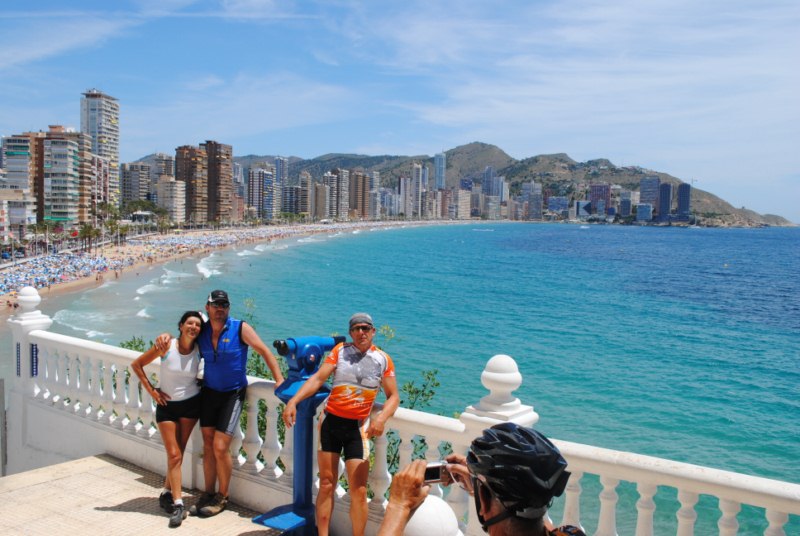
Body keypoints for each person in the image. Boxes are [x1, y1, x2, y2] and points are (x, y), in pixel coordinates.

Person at [156, 289, 285, 518]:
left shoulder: (240, 328)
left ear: (228, 308)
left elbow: (264, 351)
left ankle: (222, 496)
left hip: (232, 395)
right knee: (207, 445)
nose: (219, 309)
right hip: (209, 392)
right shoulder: (203, 331)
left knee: (219, 446)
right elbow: (182, 340)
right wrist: (165, 336)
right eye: (215, 305)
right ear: (207, 307)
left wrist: (279, 380)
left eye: (224, 305)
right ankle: (208, 493)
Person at [283, 312, 400, 536]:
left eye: (365, 328)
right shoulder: (340, 351)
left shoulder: (383, 359)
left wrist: (381, 417)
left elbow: (393, 396)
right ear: (350, 333)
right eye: (356, 329)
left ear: (373, 332)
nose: (361, 332)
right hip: (331, 423)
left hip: (357, 428)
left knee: (359, 490)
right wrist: (294, 401)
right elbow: (318, 379)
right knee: (327, 483)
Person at [378, 423, 586, 536]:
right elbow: (532, 515)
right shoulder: (572, 533)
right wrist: (484, 488)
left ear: (484, 502)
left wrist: (398, 505)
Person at [131, 310, 204, 528]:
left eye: (198, 325)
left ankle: (166, 493)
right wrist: (152, 391)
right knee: (174, 454)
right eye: (189, 323)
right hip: (167, 408)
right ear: (181, 326)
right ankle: (179, 504)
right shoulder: (166, 346)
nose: (193, 327)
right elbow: (137, 364)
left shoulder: (200, 350)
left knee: (177, 454)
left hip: (191, 406)